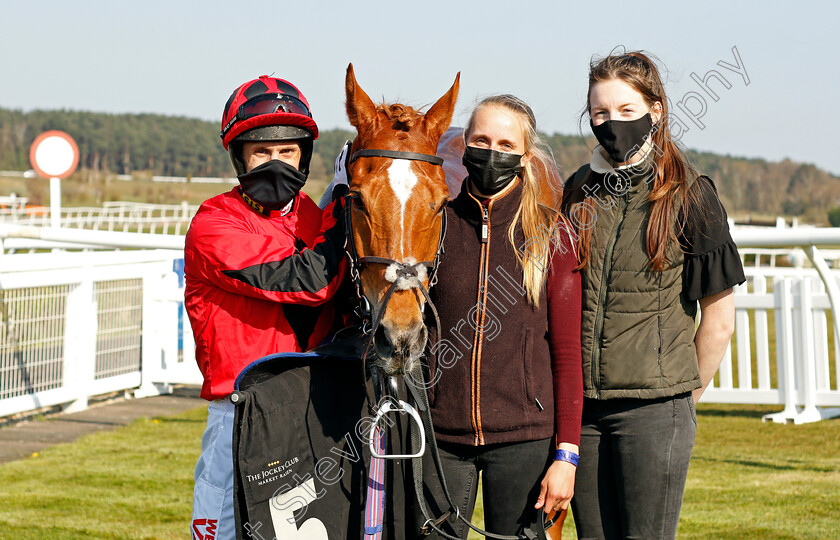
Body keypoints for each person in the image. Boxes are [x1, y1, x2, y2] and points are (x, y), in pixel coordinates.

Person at [561, 51, 745, 540]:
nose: (611, 122)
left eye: (626, 111)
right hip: (585, 412)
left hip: (656, 410)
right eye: (601, 113)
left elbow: (719, 319)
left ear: (656, 110)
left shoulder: (690, 194)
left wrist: (684, 398)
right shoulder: (578, 191)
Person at [184, 75, 347, 540]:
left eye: (287, 152)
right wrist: (341, 204)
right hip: (242, 411)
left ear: (304, 156)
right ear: (239, 156)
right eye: (261, 152)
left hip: (312, 409)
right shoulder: (213, 225)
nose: (275, 163)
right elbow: (311, 281)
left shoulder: (311, 217)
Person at [414, 94, 583, 538]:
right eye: (482, 140)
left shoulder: (552, 234)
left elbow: (567, 354)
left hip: (525, 439)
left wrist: (566, 456)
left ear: (525, 156)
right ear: (464, 145)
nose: (492, 152)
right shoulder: (436, 226)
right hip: (440, 440)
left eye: (506, 144)